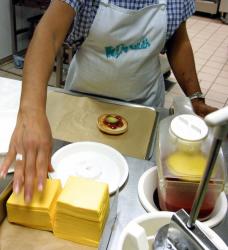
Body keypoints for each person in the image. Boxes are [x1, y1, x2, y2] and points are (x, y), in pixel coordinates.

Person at [0, 0, 217, 203]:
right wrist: (31, 112)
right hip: (83, 101)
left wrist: (195, 97)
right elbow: (49, 33)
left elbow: (178, 41)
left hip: (144, 108)